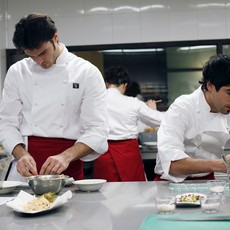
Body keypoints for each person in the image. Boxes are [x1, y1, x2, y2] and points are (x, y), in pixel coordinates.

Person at [0, 13, 108, 181]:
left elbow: (97, 130)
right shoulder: (17, 72)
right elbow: (7, 123)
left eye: (43, 53)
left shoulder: (87, 72)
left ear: (55, 38)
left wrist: (65, 156)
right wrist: (20, 155)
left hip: (68, 166)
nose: (38, 61)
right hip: (26, 168)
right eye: (31, 56)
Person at [155, 54, 230, 182]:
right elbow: (173, 164)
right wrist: (222, 164)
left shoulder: (225, 107)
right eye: (229, 92)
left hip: (206, 178)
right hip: (171, 181)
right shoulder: (183, 107)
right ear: (210, 86)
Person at [93, 66, 165, 181]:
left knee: (106, 193)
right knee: (133, 192)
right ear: (124, 85)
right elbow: (161, 120)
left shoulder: (94, 102)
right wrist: (153, 110)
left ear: (106, 83)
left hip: (103, 153)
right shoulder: (133, 103)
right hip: (128, 154)